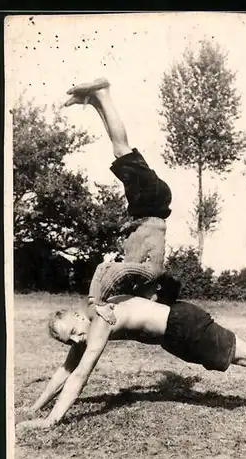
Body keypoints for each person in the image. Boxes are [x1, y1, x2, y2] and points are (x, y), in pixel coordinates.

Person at [17, 274, 246, 430]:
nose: (74, 342)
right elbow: (66, 369)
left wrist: (51, 421)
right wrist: (35, 407)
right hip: (176, 334)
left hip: (183, 326)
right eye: (67, 341)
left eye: (72, 333)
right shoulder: (88, 320)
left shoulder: (100, 320)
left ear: (79, 317)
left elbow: (81, 375)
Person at [63, 77, 172, 308]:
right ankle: (103, 93)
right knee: (122, 148)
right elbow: (113, 271)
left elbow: (114, 269)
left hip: (148, 205)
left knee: (119, 149)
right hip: (151, 202)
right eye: (152, 301)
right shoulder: (151, 273)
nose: (147, 302)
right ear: (157, 292)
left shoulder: (144, 277)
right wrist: (97, 300)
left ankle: (94, 101)